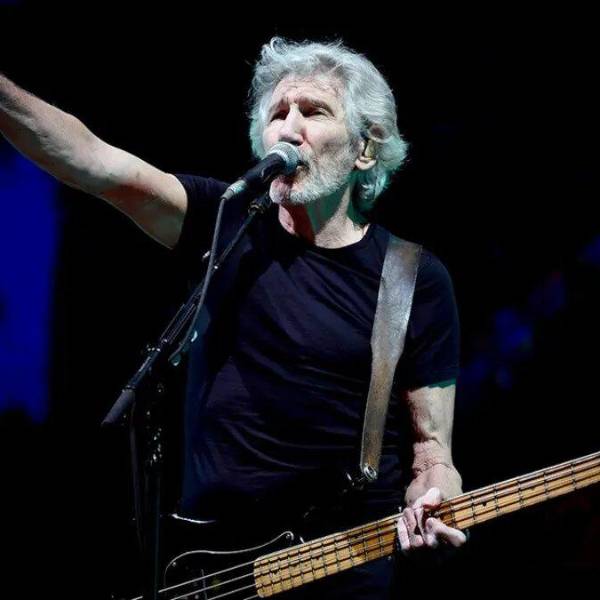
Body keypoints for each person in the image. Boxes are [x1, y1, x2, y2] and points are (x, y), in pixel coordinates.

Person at [1, 37, 467, 598]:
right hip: (209, 572)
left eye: (313, 111)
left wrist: (434, 499)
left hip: (338, 570)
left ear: (365, 149)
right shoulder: (227, 224)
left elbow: (432, 454)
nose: (289, 128)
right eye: (277, 114)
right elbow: (93, 161)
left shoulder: (413, 278)